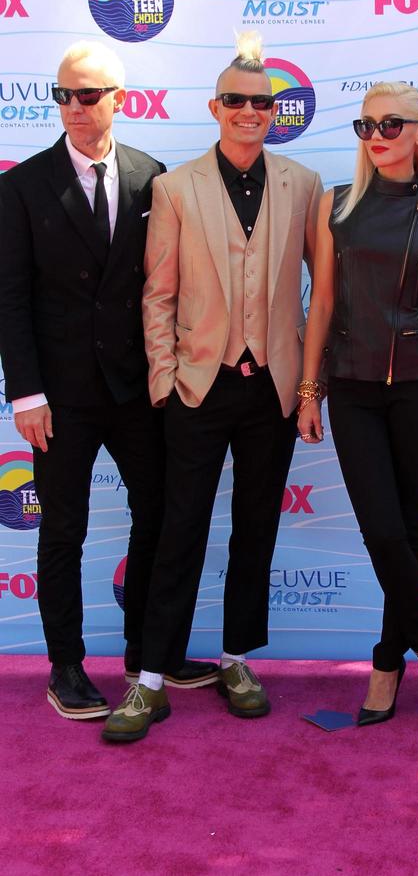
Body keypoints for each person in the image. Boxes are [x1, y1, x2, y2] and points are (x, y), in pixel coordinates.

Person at [102, 32, 322, 742]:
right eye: (236, 101)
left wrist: (308, 384)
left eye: (261, 103)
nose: (249, 112)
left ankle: (235, 659)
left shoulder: (304, 185)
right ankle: (152, 679)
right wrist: (165, 381)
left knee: (256, 527)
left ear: (274, 112)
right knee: (178, 530)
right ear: (215, 107)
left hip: (274, 392)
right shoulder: (175, 187)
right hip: (197, 387)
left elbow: (324, 293)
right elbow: (155, 295)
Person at [0, 40, 217, 720]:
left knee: (160, 515)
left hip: (136, 391)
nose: (73, 108)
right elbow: (10, 297)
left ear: (119, 99)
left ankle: (146, 654)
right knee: (63, 528)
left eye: (87, 95)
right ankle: (65, 666)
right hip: (60, 398)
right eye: (62, 95)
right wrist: (25, 393)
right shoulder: (22, 186)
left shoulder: (153, 179)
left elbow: (168, 288)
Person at [297, 81, 418, 726]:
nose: (377, 136)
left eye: (392, 124)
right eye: (366, 125)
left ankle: (387, 663)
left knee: (409, 530)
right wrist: (310, 389)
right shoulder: (334, 205)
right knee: (383, 528)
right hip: (352, 387)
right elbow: (322, 306)